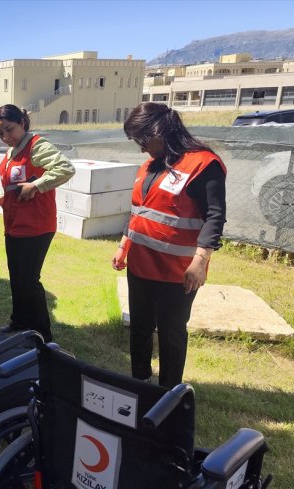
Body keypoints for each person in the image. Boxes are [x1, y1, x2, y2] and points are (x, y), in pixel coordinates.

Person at [112, 102, 227, 388]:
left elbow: (215, 215)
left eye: (142, 140)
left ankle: (169, 392)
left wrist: (200, 262)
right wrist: (123, 246)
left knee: (171, 332)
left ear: (159, 131)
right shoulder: (149, 165)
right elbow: (140, 210)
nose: (140, 148)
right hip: (140, 266)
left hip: (177, 273)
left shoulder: (203, 164)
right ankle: (139, 382)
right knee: (139, 327)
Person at [0, 105, 75, 342]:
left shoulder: (37, 146)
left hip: (36, 227)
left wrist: (37, 185)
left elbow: (66, 168)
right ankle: (19, 321)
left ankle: (43, 335)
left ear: (22, 123)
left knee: (29, 281)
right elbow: (15, 192)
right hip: (13, 226)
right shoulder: (11, 153)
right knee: (17, 277)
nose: (5, 137)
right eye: (0, 133)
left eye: (9, 130)